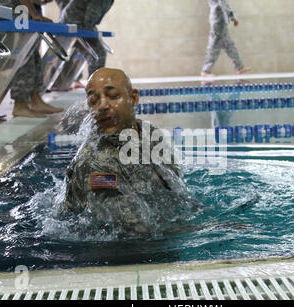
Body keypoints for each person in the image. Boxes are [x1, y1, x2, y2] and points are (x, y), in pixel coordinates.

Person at [61, 67, 198, 238]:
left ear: (133, 98)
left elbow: (176, 189)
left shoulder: (149, 133)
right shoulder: (94, 166)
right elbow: (136, 233)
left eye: (113, 96)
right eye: (93, 100)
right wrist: (209, 229)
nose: (102, 106)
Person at [0, 0, 63, 118]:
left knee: (32, 53)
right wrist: (34, 14)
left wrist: (34, 12)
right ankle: (20, 105)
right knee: (21, 55)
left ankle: (36, 100)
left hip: (19, 8)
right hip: (8, 9)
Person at [59, 0, 114, 85]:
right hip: (73, 24)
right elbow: (90, 19)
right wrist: (90, 36)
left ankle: (95, 85)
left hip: (76, 22)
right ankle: (95, 86)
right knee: (98, 54)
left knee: (97, 53)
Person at [201, 0, 248, 77]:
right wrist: (232, 17)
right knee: (214, 46)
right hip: (219, 20)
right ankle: (205, 71)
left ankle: (239, 67)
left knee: (229, 45)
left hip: (218, 19)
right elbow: (223, 4)